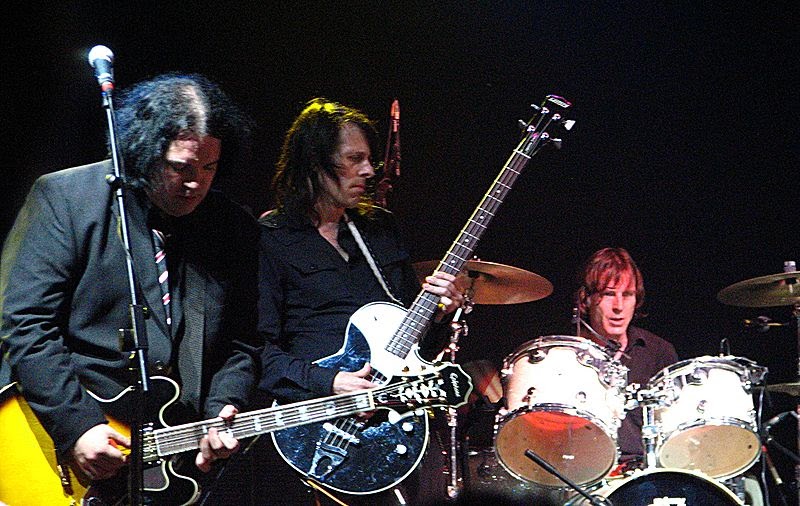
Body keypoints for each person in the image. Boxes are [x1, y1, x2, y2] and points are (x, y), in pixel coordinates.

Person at [0, 72, 261, 504]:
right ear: (144, 151)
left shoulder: (232, 227)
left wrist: (223, 407)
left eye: (209, 167)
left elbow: (242, 342)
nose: (196, 183)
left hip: (171, 459)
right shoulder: (67, 198)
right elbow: (26, 324)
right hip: (63, 432)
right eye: (180, 167)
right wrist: (76, 425)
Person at [255, 97, 464, 505]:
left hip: (394, 421)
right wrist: (329, 381)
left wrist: (439, 313)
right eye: (354, 159)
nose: (368, 171)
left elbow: (415, 346)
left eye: (369, 160)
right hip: (316, 424)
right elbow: (259, 352)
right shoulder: (272, 238)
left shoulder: (380, 229)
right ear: (314, 163)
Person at [574, 246, 679, 464]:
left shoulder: (659, 352)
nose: (619, 306)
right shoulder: (566, 356)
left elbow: (674, 430)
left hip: (643, 472)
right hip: (580, 470)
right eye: (608, 294)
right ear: (586, 299)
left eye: (628, 295)